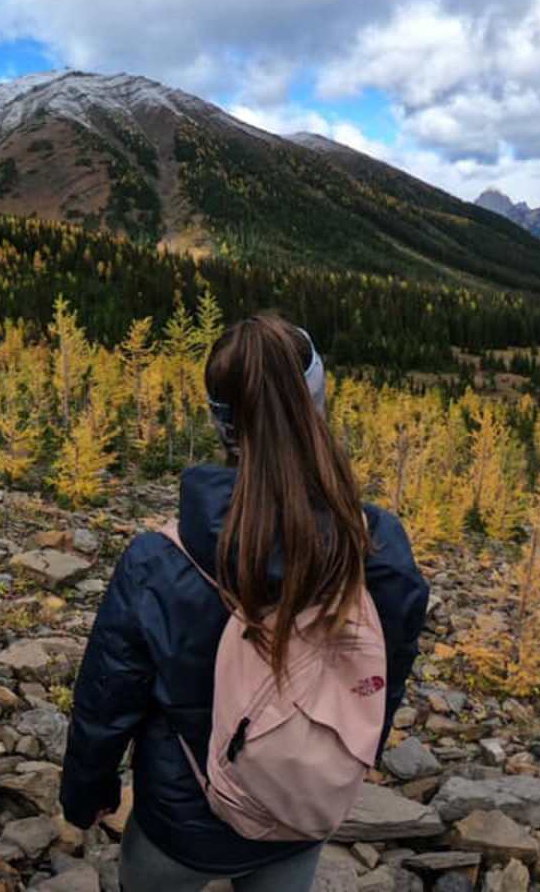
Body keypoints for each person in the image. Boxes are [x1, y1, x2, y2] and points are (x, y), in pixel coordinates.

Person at [60, 313, 428, 891]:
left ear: (221, 423)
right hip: (299, 813)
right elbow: (385, 681)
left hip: (180, 825)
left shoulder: (159, 559)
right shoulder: (375, 548)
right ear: (318, 404)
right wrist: (347, 758)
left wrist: (87, 794)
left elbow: (108, 700)